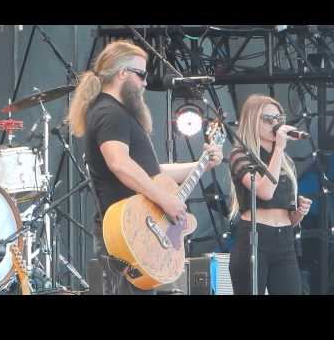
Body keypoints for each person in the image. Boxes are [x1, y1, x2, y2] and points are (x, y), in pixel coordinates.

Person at [67, 40, 223, 295]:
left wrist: (200, 165)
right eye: (141, 75)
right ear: (122, 74)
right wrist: (164, 199)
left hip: (139, 229)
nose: (145, 83)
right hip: (128, 233)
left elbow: (152, 172)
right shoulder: (110, 113)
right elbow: (120, 164)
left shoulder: (117, 113)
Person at [228, 94, 312, 295]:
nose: (274, 124)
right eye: (268, 119)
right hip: (254, 238)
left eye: (278, 119)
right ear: (252, 121)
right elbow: (265, 191)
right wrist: (280, 147)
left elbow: (289, 218)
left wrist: (299, 212)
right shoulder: (240, 155)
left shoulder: (286, 162)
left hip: (284, 241)